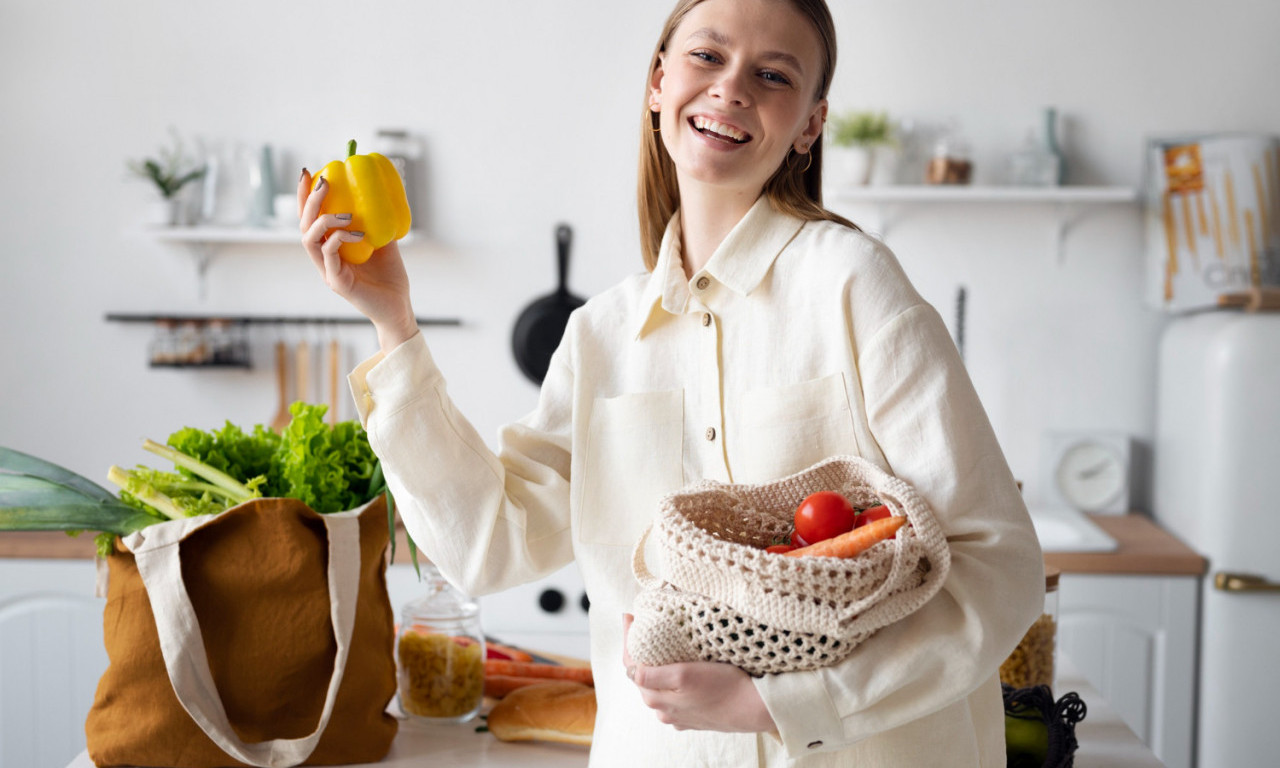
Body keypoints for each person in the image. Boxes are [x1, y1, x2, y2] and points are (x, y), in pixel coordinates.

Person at [298, 0, 1043, 764]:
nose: (730, 89)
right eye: (707, 57)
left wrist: (781, 703)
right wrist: (393, 323)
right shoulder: (601, 337)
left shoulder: (852, 285)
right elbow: (489, 545)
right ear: (658, 82)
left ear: (810, 125)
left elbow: (999, 563)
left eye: (772, 74)